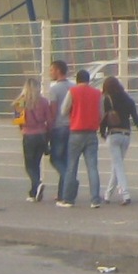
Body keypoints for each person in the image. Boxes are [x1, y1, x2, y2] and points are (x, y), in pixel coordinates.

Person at [100, 69, 138, 205]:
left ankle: (125, 194)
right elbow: (136, 119)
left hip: (113, 135)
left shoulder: (108, 100)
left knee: (118, 165)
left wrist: (102, 133)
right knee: (117, 165)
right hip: (126, 135)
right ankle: (107, 195)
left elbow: (104, 119)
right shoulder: (129, 100)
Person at [60, 69, 104, 207]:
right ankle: (95, 199)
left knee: (72, 167)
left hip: (76, 132)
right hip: (91, 133)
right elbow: (101, 113)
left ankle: (68, 199)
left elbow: (63, 110)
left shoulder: (73, 91)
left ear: (77, 80)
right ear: (88, 80)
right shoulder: (97, 93)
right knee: (92, 167)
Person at [15, 77, 52, 200]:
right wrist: (48, 135)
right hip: (41, 135)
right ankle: (34, 192)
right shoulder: (44, 102)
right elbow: (49, 120)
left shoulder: (21, 101)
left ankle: (37, 183)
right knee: (36, 163)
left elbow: (18, 121)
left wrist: (23, 130)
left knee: (29, 165)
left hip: (28, 135)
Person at [42, 59, 76, 191]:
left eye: (51, 70)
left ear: (58, 70)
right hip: (72, 127)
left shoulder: (54, 89)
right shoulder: (73, 87)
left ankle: (70, 180)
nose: (50, 72)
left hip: (59, 127)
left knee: (55, 159)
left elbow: (53, 111)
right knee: (65, 160)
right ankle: (63, 192)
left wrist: (48, 129)